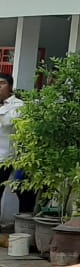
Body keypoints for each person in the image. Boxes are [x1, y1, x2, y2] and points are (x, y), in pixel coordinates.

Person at [0, 73, 26, 212]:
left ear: (10, 86)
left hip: (5, 157)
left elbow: (8, 122)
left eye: (2, 83)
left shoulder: (18, 105)